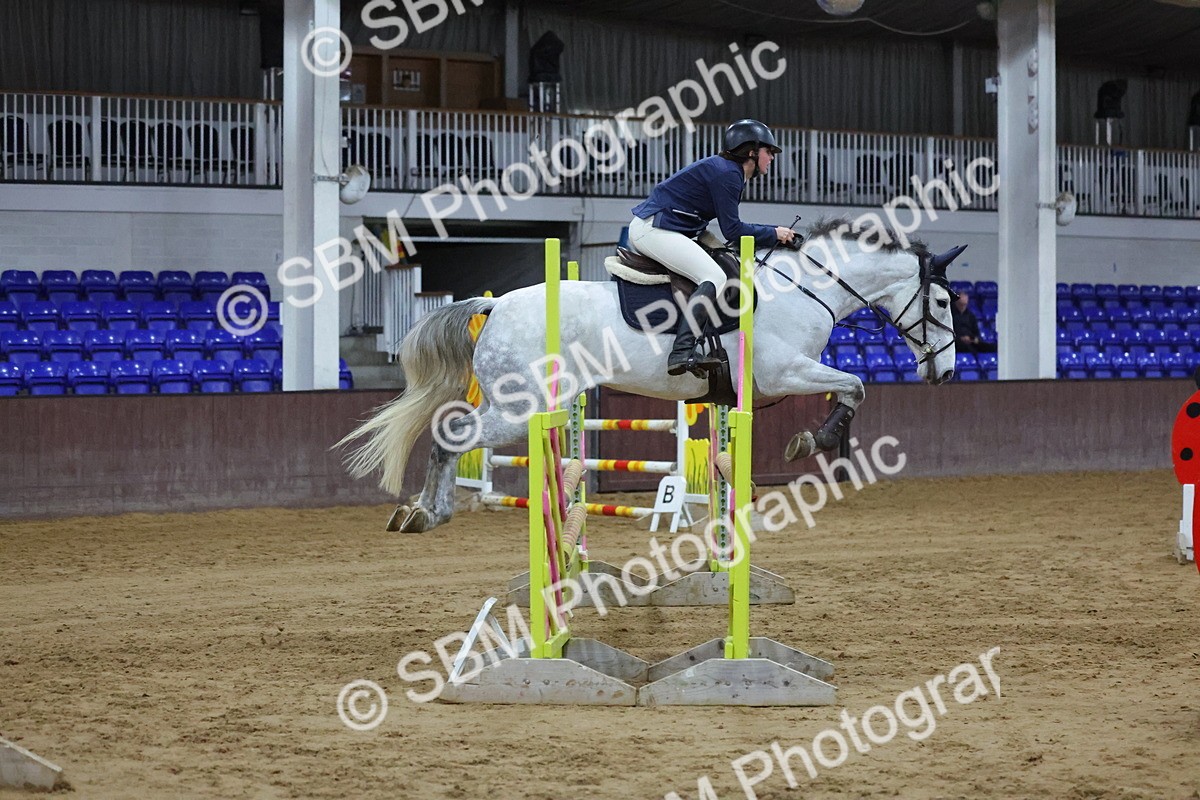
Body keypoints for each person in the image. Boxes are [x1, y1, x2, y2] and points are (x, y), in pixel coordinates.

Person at [628, 119, 797, 376]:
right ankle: (681, 351)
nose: (772, 157)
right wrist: (774, 232)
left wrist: (772, 232)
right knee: (714, 276)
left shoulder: (728, 171)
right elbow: (733, 230)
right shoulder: (729, 174)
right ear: (752, 151)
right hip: (653, 229)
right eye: (769, 152)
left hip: (670, 228)